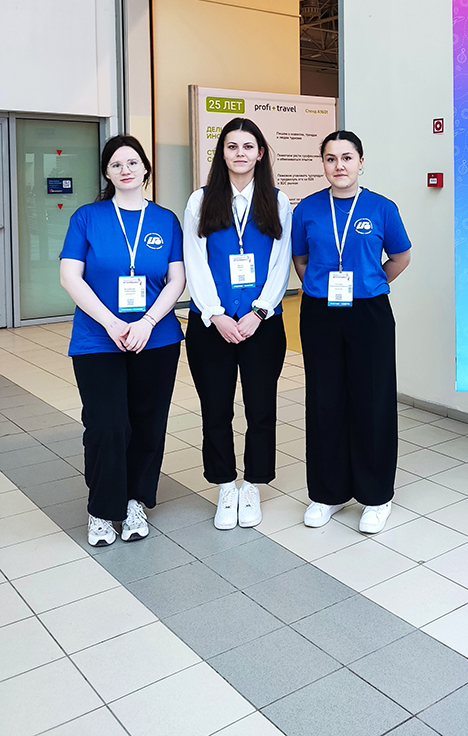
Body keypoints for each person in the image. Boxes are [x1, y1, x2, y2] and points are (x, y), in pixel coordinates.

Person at [60, 135, 185, 547]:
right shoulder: (87, 217)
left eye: (132, 162)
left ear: (145, 168)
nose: (125, 170)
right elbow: (70, 276)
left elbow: (177, 279)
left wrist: (147, 321)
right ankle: (101, 508)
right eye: (116, 164)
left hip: (156, 337)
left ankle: (134, 500)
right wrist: (112, 323)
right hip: (98, 339)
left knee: (148, 423)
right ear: (107, 173)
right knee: (106, 424)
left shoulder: (165, 219)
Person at [292, 130, 411, 534]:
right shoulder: (307, 209)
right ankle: (328, 493)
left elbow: (400, 256)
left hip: (369, 312)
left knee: (372, 400)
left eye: (346, 157)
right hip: (320, 312)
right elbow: (301, 259)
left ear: (361, 162)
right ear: (323, 164)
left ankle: (376, 496)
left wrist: (371, 283)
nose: (339, 165)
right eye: (330, 158)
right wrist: (320, 287)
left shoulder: (382, 208)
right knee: (324, 399)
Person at [183, 117, 291, 529]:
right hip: (212, 327)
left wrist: (259, 311)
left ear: (260, 153)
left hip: (261, 325)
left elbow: (280, 262)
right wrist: (215, 314)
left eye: (248, 146)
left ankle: (253, 486)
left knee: (261, 409)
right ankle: (226, 486)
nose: (240, 153)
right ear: (222, 153)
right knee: (216, 409)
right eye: (232, 146)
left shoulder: (277, 201)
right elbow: (194, 260)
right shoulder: (201, 200)